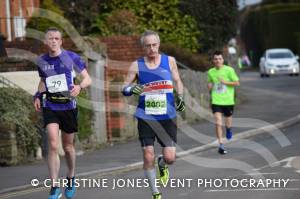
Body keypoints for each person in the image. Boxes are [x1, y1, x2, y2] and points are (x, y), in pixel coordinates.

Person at [122, 30, 185, 199]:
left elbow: (178, 81)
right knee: (147, 154)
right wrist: (131, 89)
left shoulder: (169, 61)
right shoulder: (136, 65)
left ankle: (162, 163)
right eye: (148, 45)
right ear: (143, 47)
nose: (152, 48)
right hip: (146, 117)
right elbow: (124, 88)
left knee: (170, 157)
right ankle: (155, 193)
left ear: (159, 44)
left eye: (154, 45)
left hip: (167, 116)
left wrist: (181, 98)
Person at [33, 27, 91, 199]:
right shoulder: (42, 60)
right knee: (52, 143)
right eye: (50, 38)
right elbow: (44, 82)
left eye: (56, 38)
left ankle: (71, 176)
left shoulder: (71, 57)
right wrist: (37, 95)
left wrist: (80, 86)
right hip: (50, 105)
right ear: (46, 41)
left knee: (68, 147)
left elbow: (88, 78)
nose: (53, 41)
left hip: (68, 107)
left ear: (61, 41)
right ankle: (54, 186)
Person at [207, 50, 240, 155]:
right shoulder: (211, 72)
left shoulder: (229, 70)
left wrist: (225, 82)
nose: (217, 61)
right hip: (216, 100)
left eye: (219, 59)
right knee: (217, 121)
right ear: (213, 60)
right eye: (215, 59)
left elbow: (237, 82)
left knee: (228, 122)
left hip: (228, 100)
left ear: (223, 60)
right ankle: (221, 144)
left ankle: (229, 129)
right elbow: (209, 83)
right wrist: (209, 86)